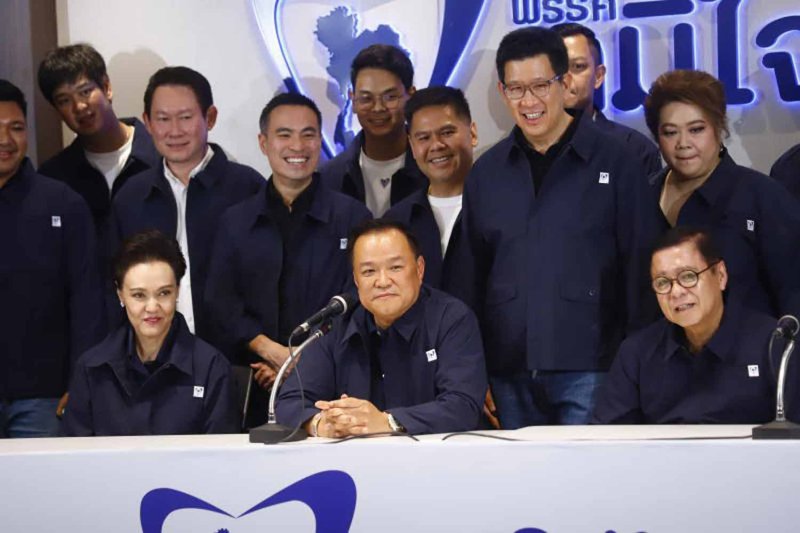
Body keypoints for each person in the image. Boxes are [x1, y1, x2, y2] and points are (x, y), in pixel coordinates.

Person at [458, 27, 657, 429]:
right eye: (516, 89)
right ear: (502, 91)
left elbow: (641, 271)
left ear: (564, 82)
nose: (528, 101)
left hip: (595, 370)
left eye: (539, 86)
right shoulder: (487, 173)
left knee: (587, 488)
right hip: (507, 373)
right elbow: (469, 280)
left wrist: (635, 371)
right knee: (521, 490)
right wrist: (472, 374)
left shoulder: (617, 161)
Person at [205, 93, 370, 426]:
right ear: (264, 143)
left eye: (308, 134)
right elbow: (220, 301)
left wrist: (300, 358)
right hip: (254, 381)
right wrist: (271, 352)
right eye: (284, 134)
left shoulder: (352, 216)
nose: (298, 145)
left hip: (334, 384)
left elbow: (358, 296)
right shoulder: (235, 221)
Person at [276, 219, 487, 437]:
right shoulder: (335, 324)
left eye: (395, 267)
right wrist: (322, 423)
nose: (383, 281)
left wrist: (387, 421)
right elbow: (288, 403)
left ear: (419, 269)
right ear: (356, 280)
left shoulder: (451, 319)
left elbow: (463, 406)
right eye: (368, 272)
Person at [111, 66, 264, 341]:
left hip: (237, 357)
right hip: (154, 358)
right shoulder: (130, 196)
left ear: (210, 117)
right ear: (147, 122)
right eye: (163, 119)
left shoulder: (247, 188)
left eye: (185, 117)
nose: (174, 130)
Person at [593, 227, 798, 424]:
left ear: (720, 275)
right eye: (663, 282)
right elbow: (606, 439)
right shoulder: (637, 353)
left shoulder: (774, 344)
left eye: (688, 276)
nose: (676, 292)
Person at [643, 69, 800, 319]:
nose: (683, 143)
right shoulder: (641, 197)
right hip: (658, 355)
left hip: (749, 354)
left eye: (696, 129)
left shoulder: (763, 198)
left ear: (719, 128)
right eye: (670, 132)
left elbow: (792, 298)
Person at [0, 79, 105, 438]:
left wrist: (80, 380)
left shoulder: (62, 203)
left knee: (39, 494)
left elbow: (88, 298)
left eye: (15, 128)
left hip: (44, 397)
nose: (6, 140)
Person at [64, 230, 237, 435]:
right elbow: (72, 456)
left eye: (164, 293)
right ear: (120, 295)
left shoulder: (212, 369)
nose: (152, 307)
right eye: (139, 295)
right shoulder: (91, 368)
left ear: (178, 291)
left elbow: (221, 460)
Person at [37, 44, 159, 236]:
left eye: (85, 91)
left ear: (107, 88)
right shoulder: (53, 178)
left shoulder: (161, 155)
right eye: (64, 100)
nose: (79, 106)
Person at [383, 86, 476, 291]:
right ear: (412, 146)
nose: (437, 145)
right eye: (424, 138)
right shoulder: (396, 222)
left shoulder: (504, 207)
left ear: (473, 133)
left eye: (447, 132)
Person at [319, 44, 426, 217]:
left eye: (390, 97)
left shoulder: (431, 168)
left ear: (411, 96)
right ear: (353, 101)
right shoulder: (330, 178)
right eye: (366, 98)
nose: (378, 108)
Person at [551, 23, 661, 175]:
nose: (565, 78)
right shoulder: (518, 151)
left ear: (598, 76)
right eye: (555, 67)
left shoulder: (635, 150)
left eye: (577, 66)